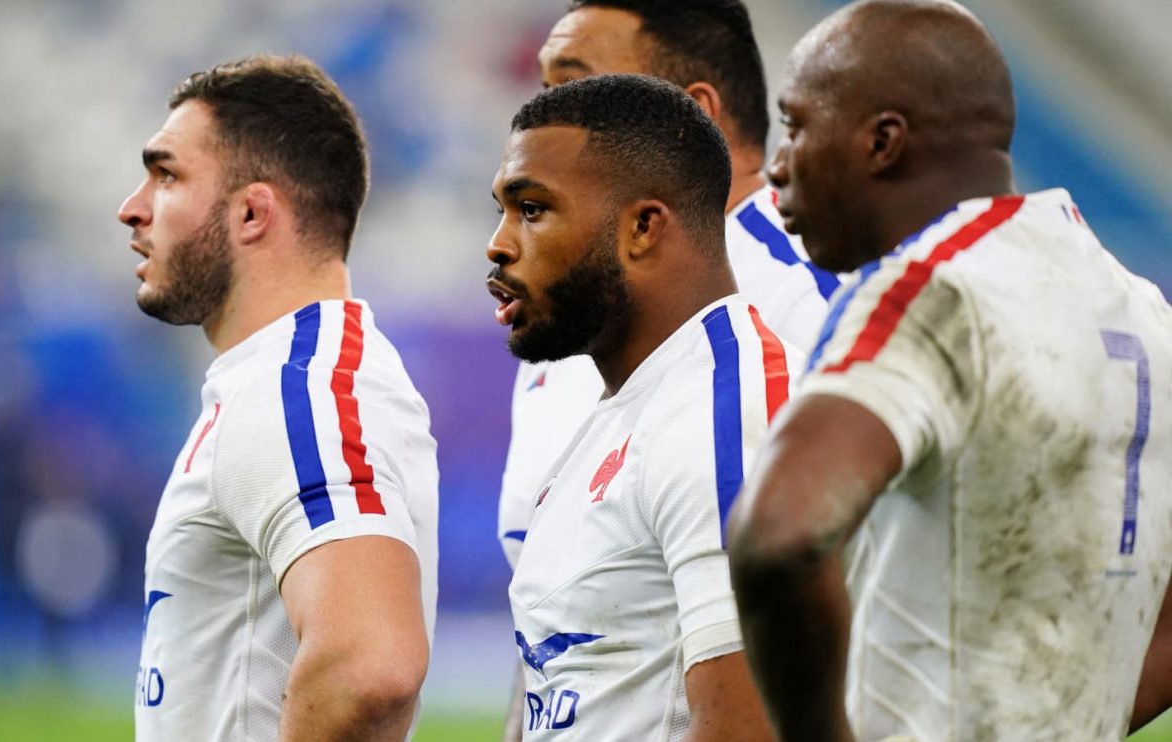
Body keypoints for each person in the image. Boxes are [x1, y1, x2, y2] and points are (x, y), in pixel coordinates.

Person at [724, 2, 1172, 740]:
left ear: (883, 142)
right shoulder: (1140, 308)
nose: (777, 167)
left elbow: (779, 533)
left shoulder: (930, 290)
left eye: (797, 126)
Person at [117, 55, 438, 742]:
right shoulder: (287, 376)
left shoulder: (301, 387)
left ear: (253, 213)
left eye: (167, 174)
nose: (133, 207)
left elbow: (369, 666)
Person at [489, 73, 796, 740]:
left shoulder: (725, 411)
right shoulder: (621, 411)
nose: (499, 243)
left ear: (643, 228)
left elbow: (752, 727)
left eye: (532, 209)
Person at [497, 0, 837, 573]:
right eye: (543, 93)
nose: (543, 123)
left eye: (576, 89)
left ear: (691, 114)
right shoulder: (568, 308)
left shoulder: (811, 299)